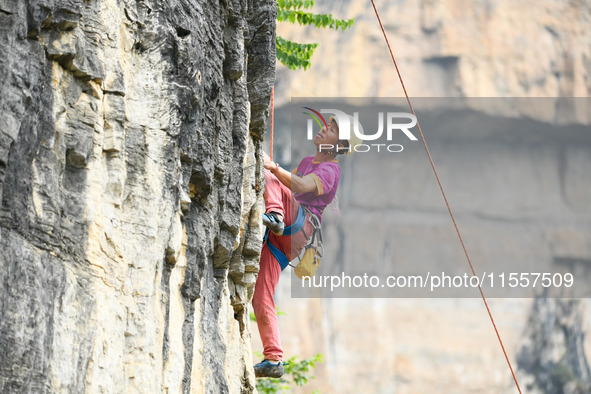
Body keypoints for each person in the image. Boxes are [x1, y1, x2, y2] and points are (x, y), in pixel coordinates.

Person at [252, 114, 363, 378]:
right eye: (328, 124)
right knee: (261, 293)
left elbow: (299, 185)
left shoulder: (330, 170)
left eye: (333, 129)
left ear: (340, 145)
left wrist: (274, 168)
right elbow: (295, 186)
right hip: (288, 241)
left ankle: (275, 216)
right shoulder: (307, 162)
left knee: (273, 177)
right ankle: (273, 358)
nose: (324, 128)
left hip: (297, 226)